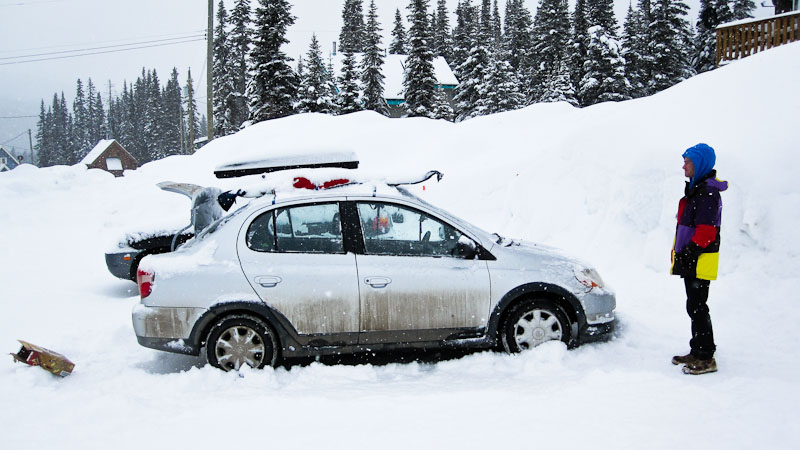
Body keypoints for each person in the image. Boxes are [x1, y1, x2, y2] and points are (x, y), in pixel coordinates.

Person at [670, 143, 728, 375]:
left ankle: (706, 357)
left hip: (700, 259)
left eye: (688, 161)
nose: (683, 165)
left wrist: (689, 253)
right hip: (693, 258)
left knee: (698, 306)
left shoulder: (707, 193)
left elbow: (707, 232)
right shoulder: (698, 189)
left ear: (700, 163)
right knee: (693, 305)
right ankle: (698, 349)